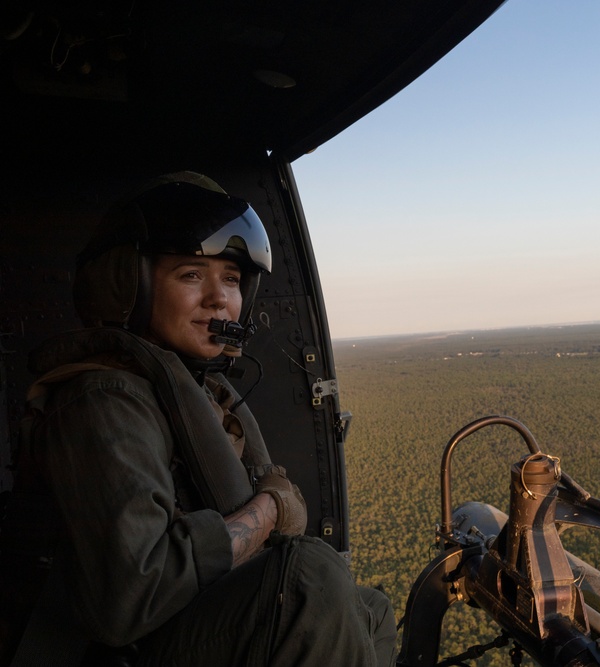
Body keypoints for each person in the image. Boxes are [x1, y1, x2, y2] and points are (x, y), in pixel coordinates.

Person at [1, 173, 396, 666]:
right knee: (308, 580)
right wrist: (268, 510)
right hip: (107, 650)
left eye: (230, 279)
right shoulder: (103, 400)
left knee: (372, 610)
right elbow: (129, 601)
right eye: (191, 275)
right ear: (130, 286)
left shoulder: (195, 393)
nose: (219, 299)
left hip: (179, 623)